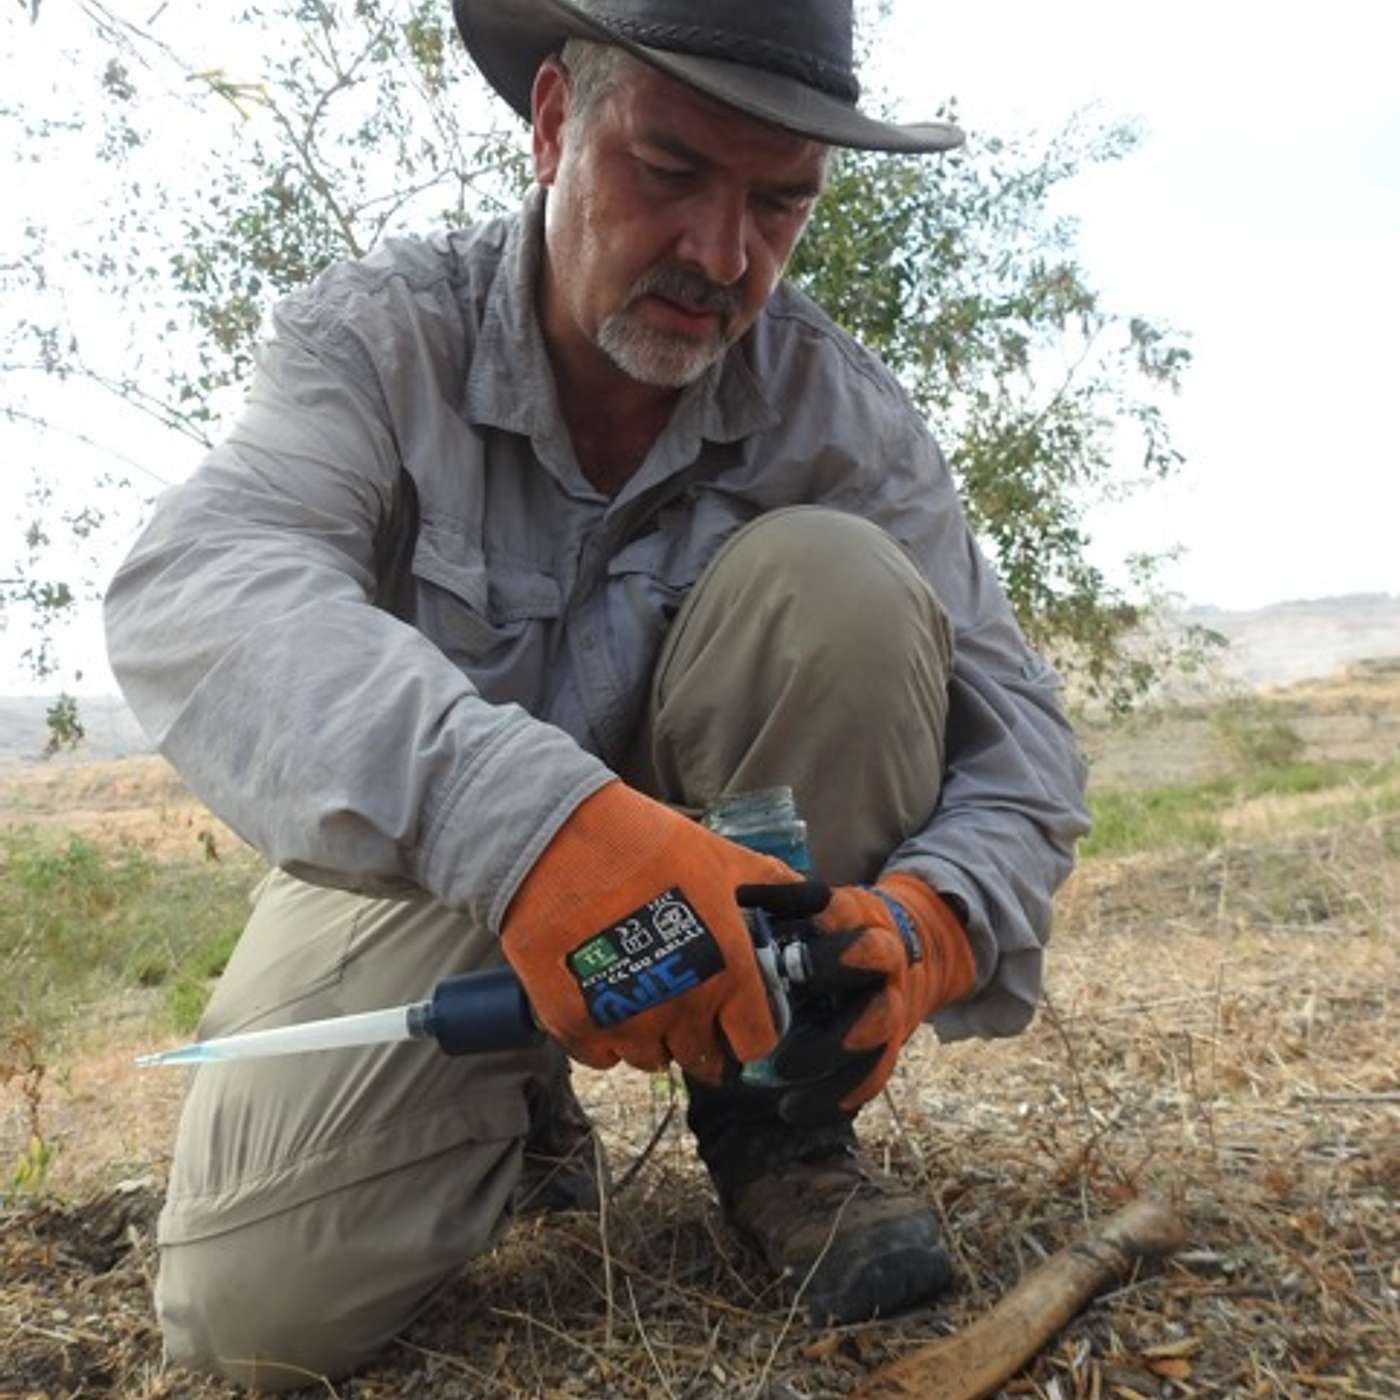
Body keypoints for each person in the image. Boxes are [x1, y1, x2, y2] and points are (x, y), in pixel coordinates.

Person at [105, 0, 1089, 1389]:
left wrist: (935, 923)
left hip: (733, 879)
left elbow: (1026, 746)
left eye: (781, 200)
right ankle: (519, 1108)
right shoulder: (378, 337)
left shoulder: (841, 413)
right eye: (672, 170)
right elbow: (200, 584)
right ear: (557, 121)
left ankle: (778, 1118)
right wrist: (535, 828)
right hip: (442, 878)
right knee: (261, 1314)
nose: (722, 254)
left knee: (844, 587)